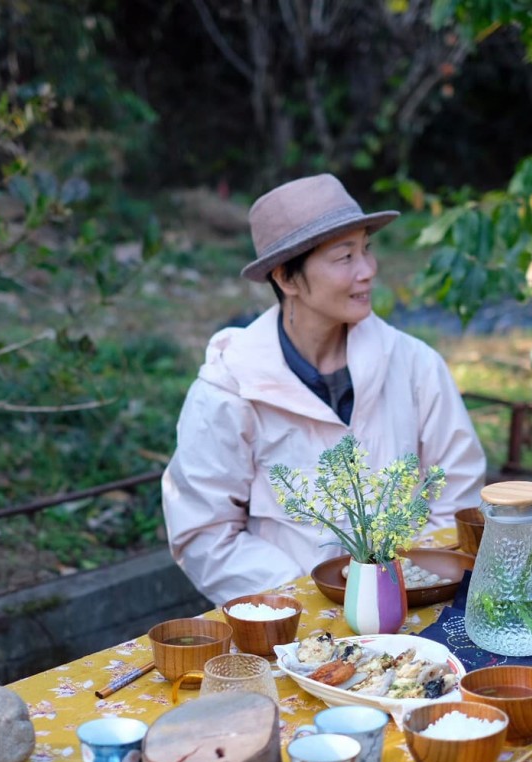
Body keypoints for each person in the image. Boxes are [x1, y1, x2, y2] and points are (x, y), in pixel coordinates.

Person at [162, 173, 485, 605]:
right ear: (288, 279)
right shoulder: (229, 389)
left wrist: (405, 583)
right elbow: (205, 535)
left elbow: (456, 492)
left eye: (366, 250)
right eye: (344, 257)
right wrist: (311, 598)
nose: (367, 270)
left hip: (415, 610)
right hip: (290, 625)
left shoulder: (413, 364)